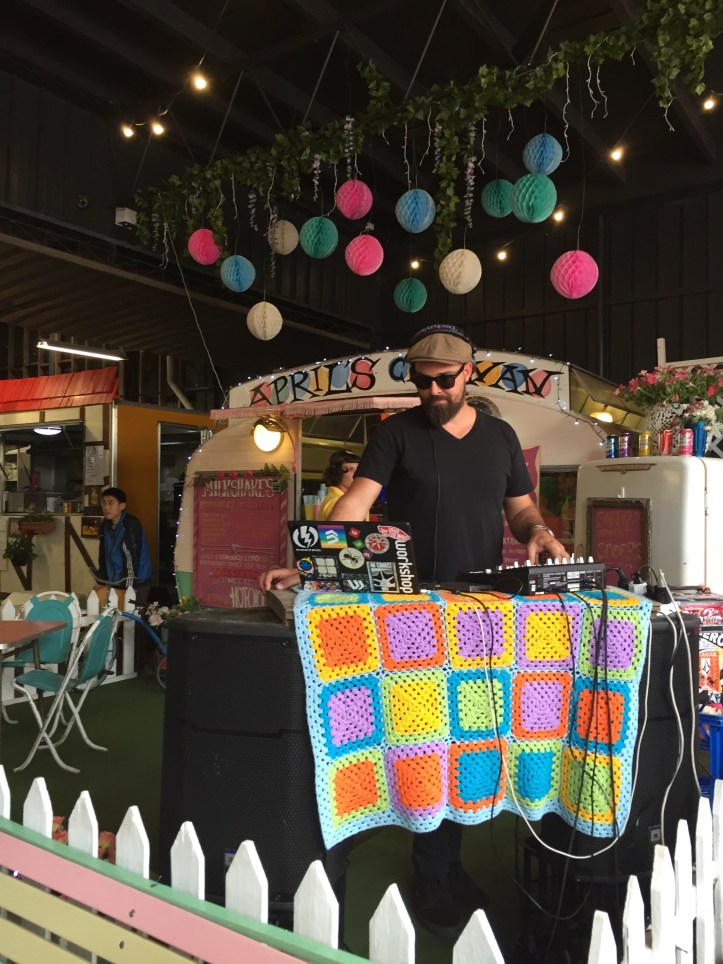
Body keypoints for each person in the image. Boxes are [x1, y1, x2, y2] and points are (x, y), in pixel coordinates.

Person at [260, 323, 568, 935]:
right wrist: (311, 555)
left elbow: (521, 508)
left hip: (476, 613)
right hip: (404, 614)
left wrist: (536, 529)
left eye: (443, 382)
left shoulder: (501, 437)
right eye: (421, 382)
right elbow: (356, 501)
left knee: (466, 739)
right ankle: (427, 872)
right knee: (417, 736)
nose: (431, 392)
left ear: (468, 374)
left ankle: (444, 865)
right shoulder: (395, 433)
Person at [93, 486, 152, 608]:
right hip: (115, 580)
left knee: (130, 618)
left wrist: (130, 588)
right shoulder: (106, 524)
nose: (106, 507)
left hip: (136, 581)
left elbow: (131, 559)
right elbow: (103, 555)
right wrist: (102, 582)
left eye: (111, 503)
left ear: (122, 506)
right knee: (113, 618)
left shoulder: (130, 525)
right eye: (104, 503)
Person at [317, 450, 360, 521]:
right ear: (337, 473)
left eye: (358, 469)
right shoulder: (336, 501)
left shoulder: (346, 498)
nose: (356, 474)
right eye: (351, 469)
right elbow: (339, 532)